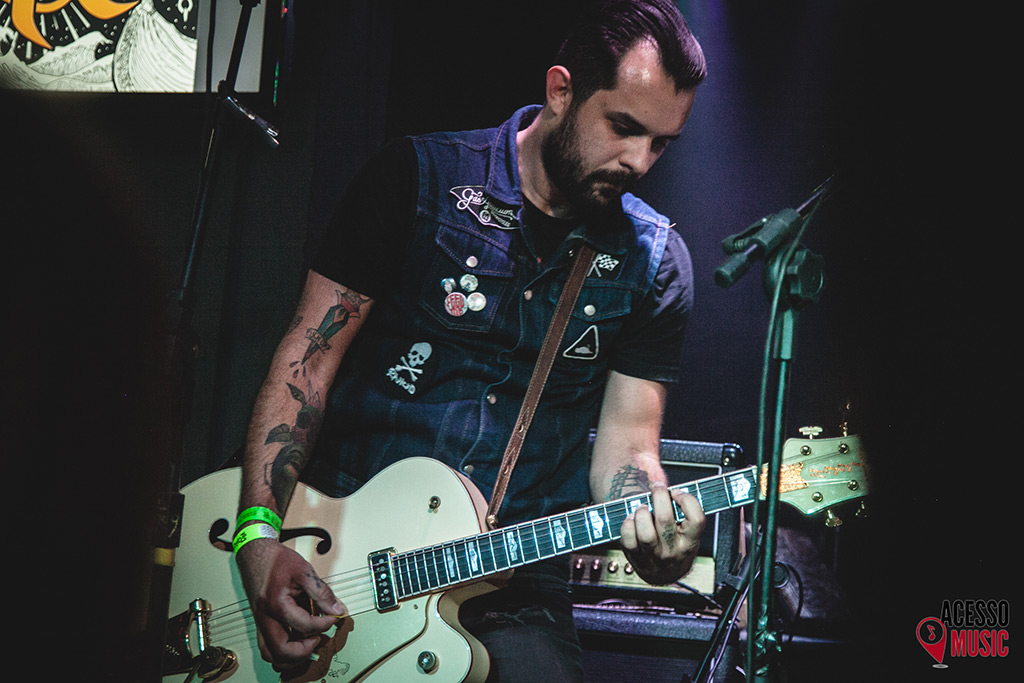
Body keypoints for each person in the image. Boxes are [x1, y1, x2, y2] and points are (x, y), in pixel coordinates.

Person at [233, 1, 708, 679]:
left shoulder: (654, 263)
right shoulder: (417, 180)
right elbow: (306, 364)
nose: (639, 160)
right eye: (624, 127)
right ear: (561, 90)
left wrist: (654, 529)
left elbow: (629, 447)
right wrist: (258, 536)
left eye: (661, 144)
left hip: (511, 585)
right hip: (340, 548)